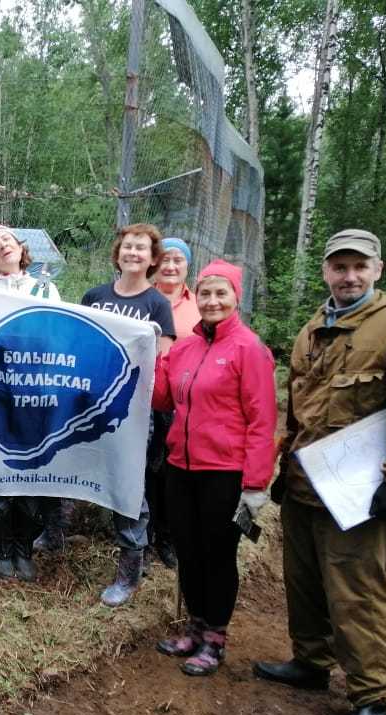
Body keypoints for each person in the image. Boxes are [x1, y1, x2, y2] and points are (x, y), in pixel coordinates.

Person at [254, 229, 386, 715]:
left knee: (356, 592)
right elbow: (300, 412)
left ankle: (373, 696)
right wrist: (283, 470)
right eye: (339, 267)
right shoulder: (312, 329)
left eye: (359, 266)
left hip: (360, 492)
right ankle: (311, 663)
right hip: (307, 484)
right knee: (304, 581)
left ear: (377, 269)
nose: (349, 276)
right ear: (326, 272)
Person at [151, 260, 276, 675]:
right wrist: (155, 358)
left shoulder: (249, 349)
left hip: (224, 471)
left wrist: (256, 484)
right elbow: (164, 401)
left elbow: (263, 421)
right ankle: (195, 627)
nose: (212, 301)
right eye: (205, 293)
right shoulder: (186, 346)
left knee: (218, 555)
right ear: (196, 296)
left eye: (221, 293)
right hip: (180, 468)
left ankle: (215, 638)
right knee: (187, 551)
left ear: (236, 298)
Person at [80, 223, 176, 605]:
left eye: (141, 249)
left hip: (134, 411)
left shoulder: (157, 304)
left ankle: (130, 568)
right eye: (127, 247)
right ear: (117, 253)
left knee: (128, 484)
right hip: (92, 403)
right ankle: (56, 532)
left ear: (152, 259)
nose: (133, 253)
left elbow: (163, 357)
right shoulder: (94, 296)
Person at [0, 224, 67, 579]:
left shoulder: (44, 287)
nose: (2, 246)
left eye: (7, 240)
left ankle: (23, 548)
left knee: (32, 469)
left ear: (19, 247)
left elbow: (59, 335)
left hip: (37, 392)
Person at [146, 238, 199, 567]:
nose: (170, 265)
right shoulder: (144, 299)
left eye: (177, 259)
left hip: (181, 400)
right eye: (164, 259)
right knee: (145, 471)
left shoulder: (199, 305)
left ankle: (167, 537)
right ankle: (144, 538)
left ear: (187, 266)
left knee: (171, 469)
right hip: (141, 395)